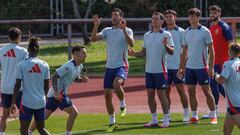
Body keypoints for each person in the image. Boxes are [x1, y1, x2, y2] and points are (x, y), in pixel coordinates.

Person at [90, 8, 134, 132]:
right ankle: (112, 123)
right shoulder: (107, 31)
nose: (114, 17)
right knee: (107, 97)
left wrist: (124, 30)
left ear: (121, 18)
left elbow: (132, 44)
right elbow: (93, 39)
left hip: (122, 65)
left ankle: (122, 104)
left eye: (116, 15)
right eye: (112, 15)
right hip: (109, 67)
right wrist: (96, 26)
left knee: (117, 84)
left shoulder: (127, 30)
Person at [29, 46, 88, 135]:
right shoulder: (68, 66)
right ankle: (68, 133)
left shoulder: (80, 66)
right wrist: (56, 93)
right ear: (76, 55)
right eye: (83, 53)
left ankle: (29, 132)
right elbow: (54, 77)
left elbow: (74, 78)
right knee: (74, 113)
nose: (85, 55)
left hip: (57, 95)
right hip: (58, 94)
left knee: (43, 117)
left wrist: (81, 80)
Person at [129, 12, 174, 128]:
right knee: (150, 95)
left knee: (161, 95)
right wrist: (133, 54)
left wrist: (166, 45)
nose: (154, 20)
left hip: (161, 71)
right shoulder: (147, 35)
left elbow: (172, 51)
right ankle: (154, 119)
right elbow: (143, 52)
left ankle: (166, 119)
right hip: (149, 71)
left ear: (161, 21)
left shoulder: (166, 34)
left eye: (156, 19)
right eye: (153, 18)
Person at [177, 8, 217, 124]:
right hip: (190, 68)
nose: (191, 18)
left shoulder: (205, 31)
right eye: (190, 16)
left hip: (202, 67)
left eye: (194, 16)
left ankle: (213, 115)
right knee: (191, 91)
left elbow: (211, 49)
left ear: (198, 17)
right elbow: (184, 51)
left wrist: (211, 66)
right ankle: (194, 116)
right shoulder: (186, 32)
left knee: (206, 91)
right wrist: (181, 67)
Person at [10, 36, 50, 135]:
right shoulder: (45, 64)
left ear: (28, 50)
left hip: (27, 102)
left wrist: (13, 103)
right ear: (38, 50)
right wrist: (44, 97)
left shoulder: (22, 64)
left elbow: (17, 85)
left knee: (24, 130)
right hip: (41, 102)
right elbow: (46, 86)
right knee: (42, 129)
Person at [202, 5, 234, 119]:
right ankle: (214, 111)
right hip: (213, 62)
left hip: (223, 63)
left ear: (219, 14)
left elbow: (231, 43)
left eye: (215, 12)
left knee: (222, 87)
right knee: (213, 85)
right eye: (211, 12)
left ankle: (234, 106)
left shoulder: (224, 27)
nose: (213, 14)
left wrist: (231, 60)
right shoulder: (210, 27)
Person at [0, 27, 28, 135]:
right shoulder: (23, 51)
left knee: (5, 115)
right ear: (19, 37)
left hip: (5, 87)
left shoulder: (1, 51)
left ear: (8, 37)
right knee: (23, 114)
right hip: (19, 88)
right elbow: (26, 69)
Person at [164, 9, 189, 122]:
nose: (169, 18)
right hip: (165, 67)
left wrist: (182, 67)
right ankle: (167, 115)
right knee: (166, 91)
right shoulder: (162, 32)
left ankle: (186, 113)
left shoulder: (181, 32)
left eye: (171, 16)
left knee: (180, 90)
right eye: (167, 16)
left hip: (177, 67)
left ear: (175, 18)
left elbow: (185, 50)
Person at [214, 43, 240, 135]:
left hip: (235, 103)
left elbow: (221, 80)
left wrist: (215, 76)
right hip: (233, 104)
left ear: (230, 51)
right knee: (226, 131)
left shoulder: (228, 64)